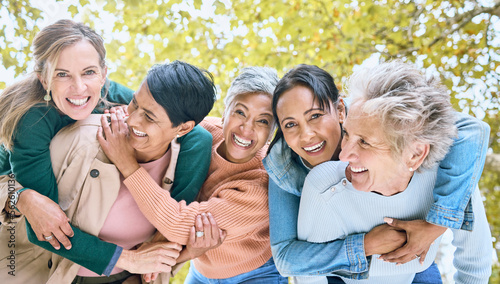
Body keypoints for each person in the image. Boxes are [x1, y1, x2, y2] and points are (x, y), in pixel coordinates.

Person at [0, 20, 212, 282]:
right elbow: (44, 226)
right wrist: (22, 196)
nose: (79, 88)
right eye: (62, 74)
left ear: (104, 74)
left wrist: (166, 232)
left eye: (88, 72)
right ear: (44, 79)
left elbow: (195, 134)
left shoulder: (110, 94)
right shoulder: (32, 121)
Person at [263, 64, 490, 281]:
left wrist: (436, 225)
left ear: (341, 111)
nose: (307, 135)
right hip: (341, 270)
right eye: (290, 125)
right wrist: (366, 245)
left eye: (315, 115)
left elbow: (469, 130)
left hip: (408, 262)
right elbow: (287, 258)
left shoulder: (371, 114)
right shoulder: (286, 170)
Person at [98, 67, 288, 283]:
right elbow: (157, 107)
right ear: (225, 111)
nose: (246, 128)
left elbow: (178, 224)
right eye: (240, 112)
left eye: (263, 121)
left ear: (273, 130)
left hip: (252, 273)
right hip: (201, 271)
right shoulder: (207, 132)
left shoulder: (261, 183)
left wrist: (127, 164)